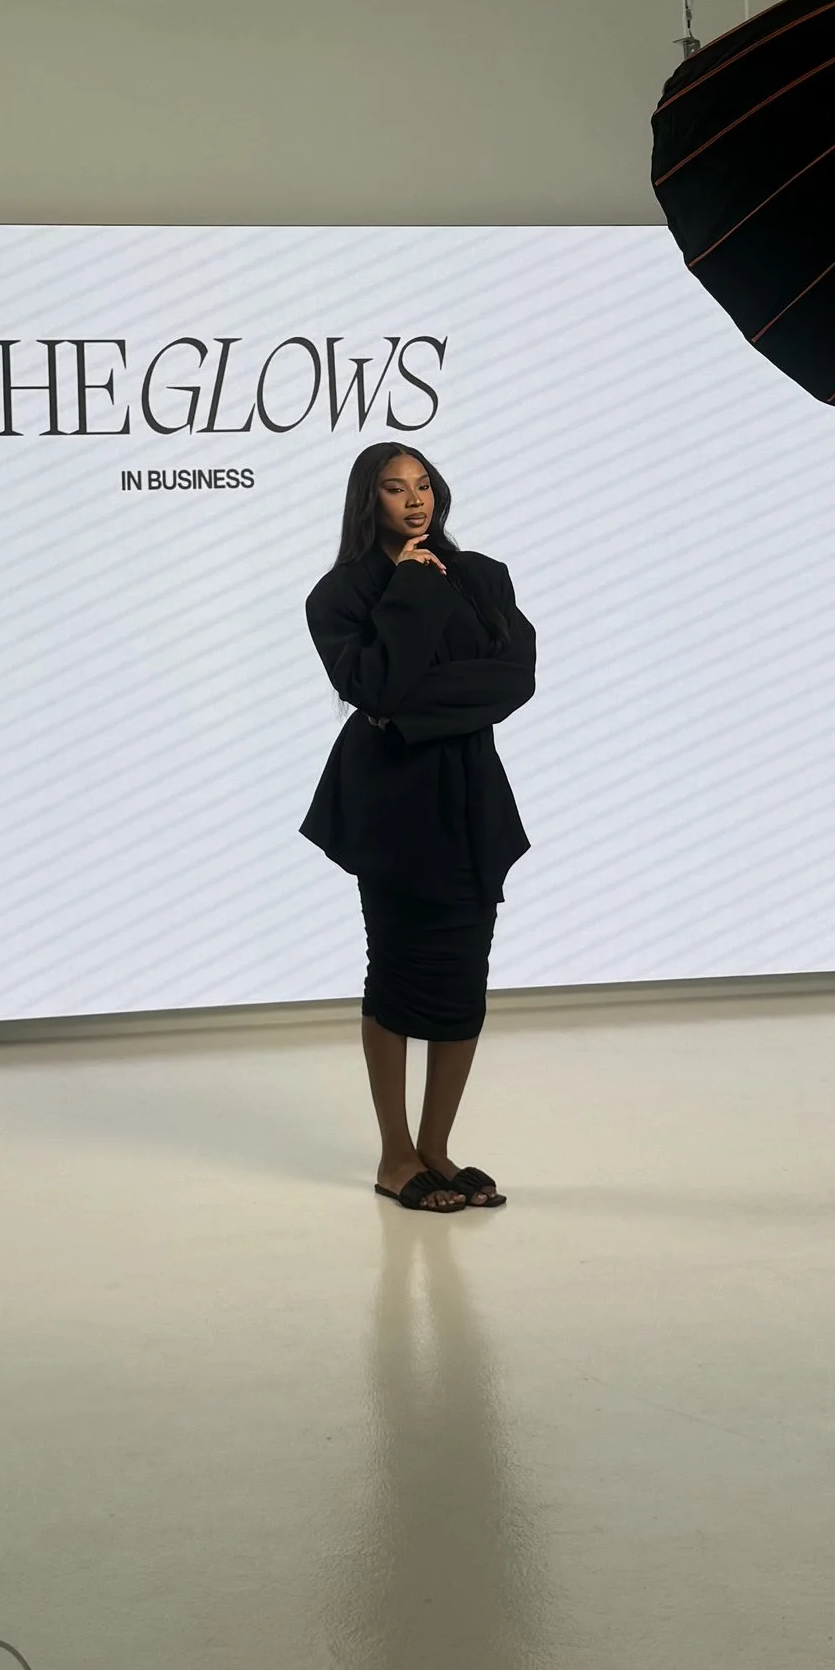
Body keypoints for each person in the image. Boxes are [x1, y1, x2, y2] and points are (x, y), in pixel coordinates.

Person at [301, 443, 538, 1212]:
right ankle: (395, 1155)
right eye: (394, 488)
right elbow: (370, 682)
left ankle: (437, 1147)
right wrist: (407, 587)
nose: (414, 499)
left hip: (470, 797)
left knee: (465, 977)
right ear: (367, 501)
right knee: (399, 971)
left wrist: (410, 706)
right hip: (390, 804)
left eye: (423, 484)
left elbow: (514, 678)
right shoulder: (339, 594)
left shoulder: (483, 575)